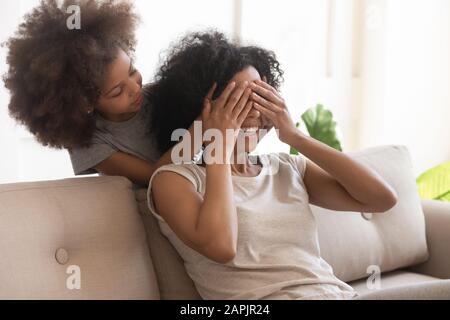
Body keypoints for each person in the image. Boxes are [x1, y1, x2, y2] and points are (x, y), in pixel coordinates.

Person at [146, 31, 399, 300]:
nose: (256, 111)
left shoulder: (286, 168)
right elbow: (221, 246)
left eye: (262, 98)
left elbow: (382, 199)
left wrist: (295, 137)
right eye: (240, 101)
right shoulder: (176, 180)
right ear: (202, 110)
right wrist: (217, 144)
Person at [3, 0, 201, 188]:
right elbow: (156, 175)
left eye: (132, 71)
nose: (134, 88)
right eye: (117, 91)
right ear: (85, 103)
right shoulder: (90, 142)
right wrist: (200, 132)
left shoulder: (158, 95)